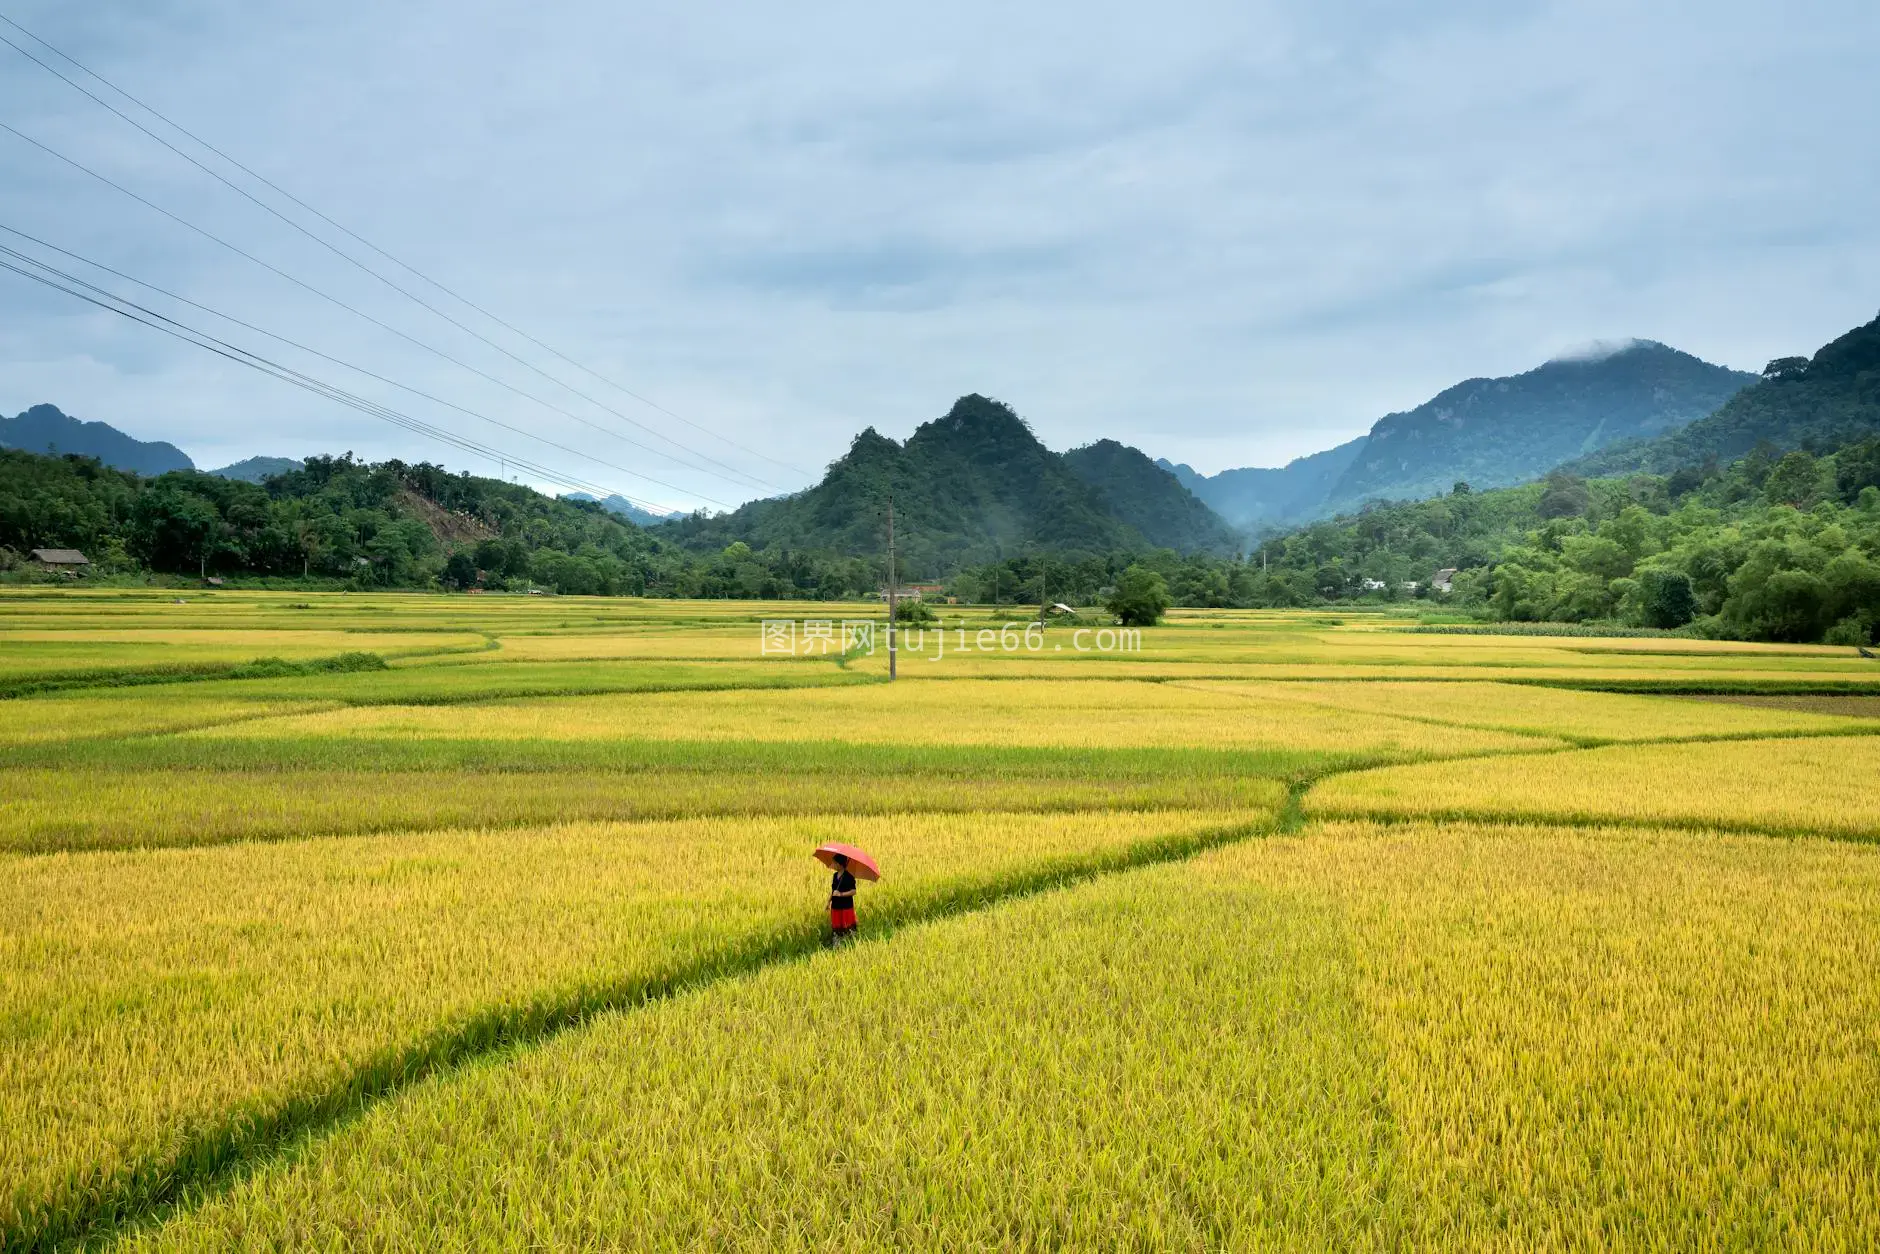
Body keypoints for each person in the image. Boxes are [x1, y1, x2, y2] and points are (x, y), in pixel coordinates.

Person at [828, 853, 858, 943]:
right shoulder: (835, 876)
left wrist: (841, 894)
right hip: (836, 906)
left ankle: (850, 943)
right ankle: (837, 944)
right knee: (836, 927)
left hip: (846, 906)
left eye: (834, 863)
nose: (833, 865)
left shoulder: (849, 876)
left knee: (847, 927)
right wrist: (828, 902)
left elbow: (853, 891)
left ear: (840, 864)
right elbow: (833, 891)